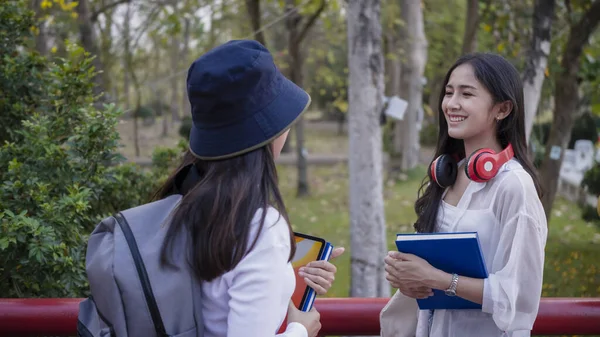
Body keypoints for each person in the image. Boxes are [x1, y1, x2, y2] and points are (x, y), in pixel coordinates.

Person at [154, 40, 344, 337]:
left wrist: (286, 271)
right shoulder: (262, 230)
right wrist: (300, 329)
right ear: (268, 132)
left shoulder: (176, 205)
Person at [383, 53, 548, 337]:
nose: (452, 103)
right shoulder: (448, 174)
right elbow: (431, 276)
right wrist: (410, 279)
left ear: (502, 109)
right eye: (449, 92)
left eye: (467, 93)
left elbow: (518, 298)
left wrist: (438, 279)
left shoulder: (514, 186)